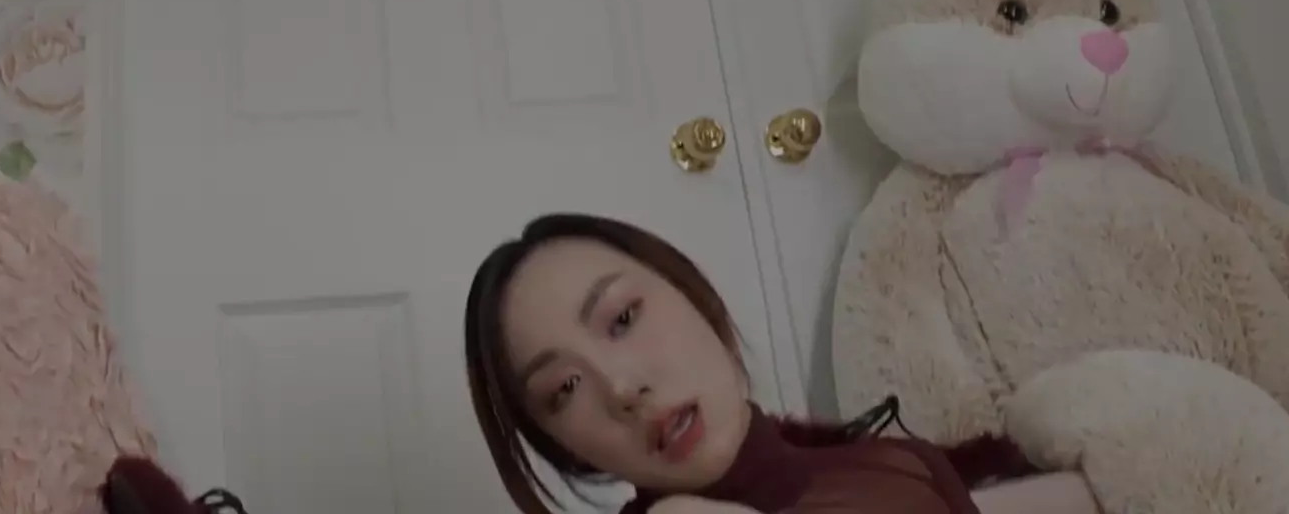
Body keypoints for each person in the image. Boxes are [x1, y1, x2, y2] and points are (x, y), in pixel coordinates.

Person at [462, 212, 1100, 514]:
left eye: (623, 319)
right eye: (565, 388)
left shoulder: (899, 466)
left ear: (693, 297)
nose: (622, 387)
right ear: (567, 449)